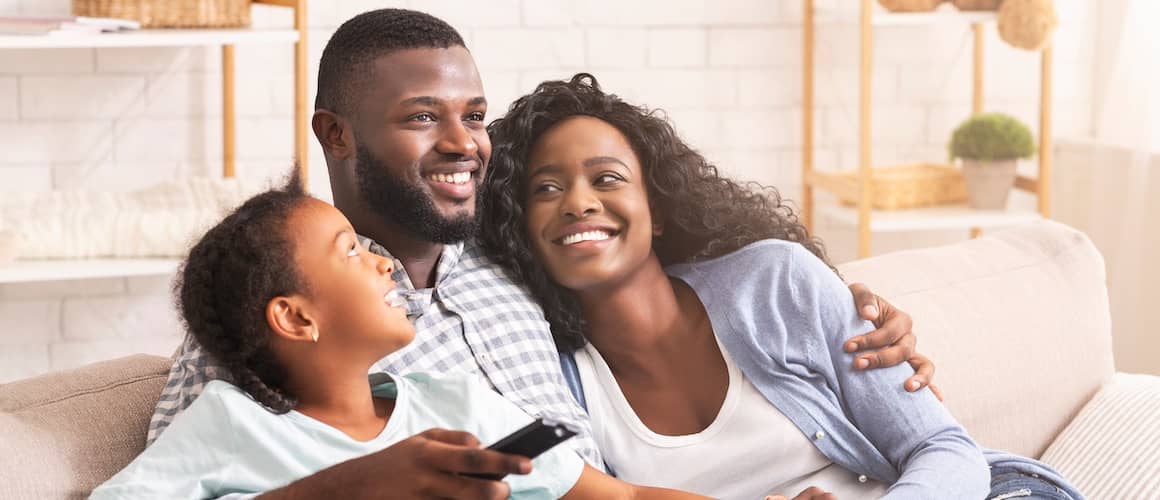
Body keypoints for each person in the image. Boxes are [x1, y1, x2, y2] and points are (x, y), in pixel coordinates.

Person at [148, 9, 934, 499]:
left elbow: (656, 253)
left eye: (475, 115)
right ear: (336, 136)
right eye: (424, 117)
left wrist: (848, 306)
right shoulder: (273, 321)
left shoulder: (516, 259)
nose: (463, 143)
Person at [481, 73, 1083, 500]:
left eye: (606, 179)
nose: (579, 204)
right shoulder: (556, 382)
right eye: (546, 189)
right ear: (520, 230)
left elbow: (943, 449)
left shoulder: (775, 284)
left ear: (656, 209)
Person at [91, 174, 714, 499]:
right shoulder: (230, 429)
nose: (383, 263)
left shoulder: (455, 405)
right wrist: (337, 492)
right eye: (350, 252)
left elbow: (623, 497)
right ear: (297, 318)